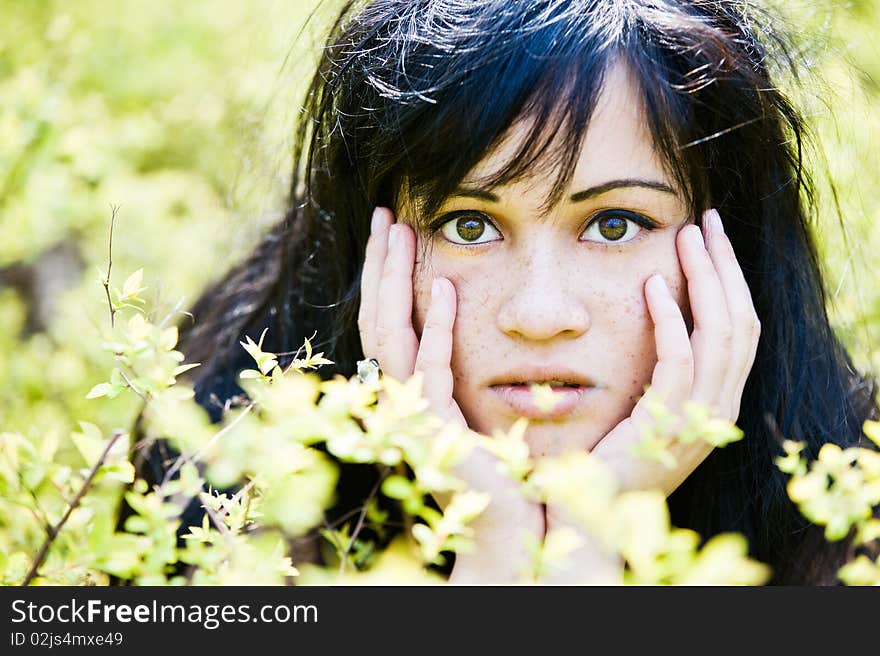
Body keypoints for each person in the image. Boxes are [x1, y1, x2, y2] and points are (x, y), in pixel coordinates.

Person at [133, 0, 878, 585]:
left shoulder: (857, 525)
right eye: (468, 225)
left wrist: (588, 546)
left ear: (730, 253)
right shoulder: (234, 508)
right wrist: (500, 556)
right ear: (370, 249)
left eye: (615, 224)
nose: (539, 315)